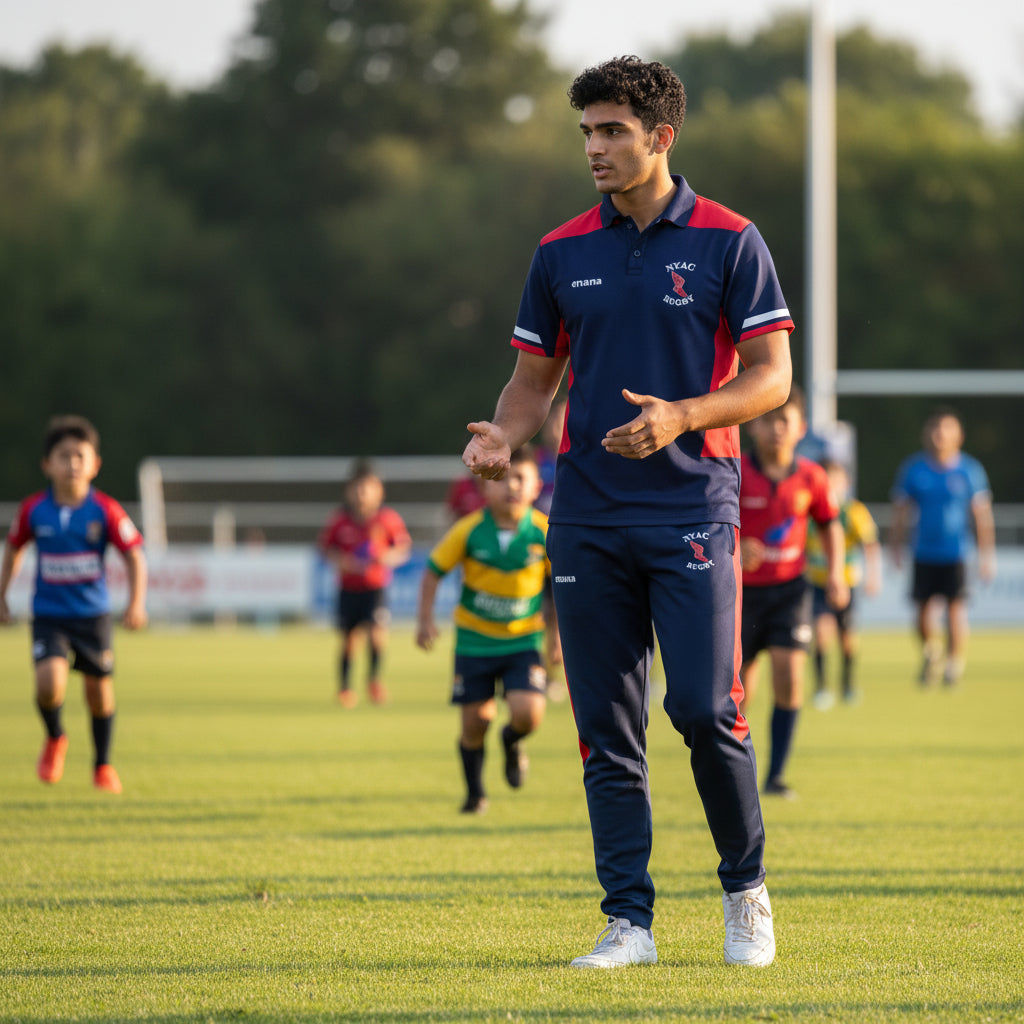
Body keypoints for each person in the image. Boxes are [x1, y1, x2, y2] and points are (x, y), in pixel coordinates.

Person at [461, 56, 794, 969]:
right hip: (587, 518)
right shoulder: (561, 250)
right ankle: (628, 924)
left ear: (661, 138)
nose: (596, 149)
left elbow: (773, 379)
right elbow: (533, 384)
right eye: (587, 133)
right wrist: (503, 436)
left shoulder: (731, 240)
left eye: (612, 131)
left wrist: (684, 415)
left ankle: (746, 893)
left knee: (702, 707)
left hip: (692, 507)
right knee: (606, 726)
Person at [0, 414, 148, 794]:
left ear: (95, 464)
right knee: (49, 685)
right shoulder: (35, 510)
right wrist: (1, 597)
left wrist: (136, 603)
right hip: (49, 615)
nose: (73, 464)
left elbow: (134, 555)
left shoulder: (106, 510)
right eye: (64, 456)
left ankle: (102, 765)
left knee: (99, 695)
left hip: (92, 617)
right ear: (47, 464)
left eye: (81, 456)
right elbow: (14, 549)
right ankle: (55, 737)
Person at [415, 446, 551, 814]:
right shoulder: (469, 530)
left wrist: (558, 639)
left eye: (521, 478)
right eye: (504, 478)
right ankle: (475, 794)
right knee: (475, 723)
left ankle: (512, 742)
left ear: (537, 485)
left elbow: (561, 589)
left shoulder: (545, 532)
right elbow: (432, 572)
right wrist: (425, 620)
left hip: (524, 639)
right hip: (474, 643)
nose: (512, 486)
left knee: (528, 715)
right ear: (485, 486)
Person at [738, 388, 848, 799]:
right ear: (754, 425)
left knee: (789, 677)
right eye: (768, 420)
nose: (776, 429)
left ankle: (775, 776)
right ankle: (738, 777)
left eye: (785, 421)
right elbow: (713, 524)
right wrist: (736, 545)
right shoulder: (735, 471)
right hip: (742, 594)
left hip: (790, 591)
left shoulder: (812, 477)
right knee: (740, 693)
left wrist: (835, 573)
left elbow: (830, 525)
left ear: (800, 429)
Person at [889, 408, 995, 686]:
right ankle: (932, 653)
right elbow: (901, 512)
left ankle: (953, 664)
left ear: (958, 435)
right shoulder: (914, 469)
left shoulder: (969, 470)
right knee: (922, 611)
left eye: (946, 428)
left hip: (956, 552)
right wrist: (895, 547)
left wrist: (987, 555)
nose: (940, 434)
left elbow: (981, 516)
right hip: (923, 551)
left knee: (955, 609)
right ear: (926, 434)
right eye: (935, 428)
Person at [317, 460, 411, 707]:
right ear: (349, 491)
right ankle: (345, 688)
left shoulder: (387, 520)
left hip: (375, 588)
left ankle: (374, 682)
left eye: (367, 489)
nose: (362, 494)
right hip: (348, 588)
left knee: (377, 635)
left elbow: (402, 549)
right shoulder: (340, 520)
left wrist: (385, 558)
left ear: (379, 491)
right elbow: (326, 549)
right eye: (357, 489)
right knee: (349, 640)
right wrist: (343, 562)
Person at [806, 459, 882, 708]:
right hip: (817, 582)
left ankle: (848, 686)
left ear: (845, 483)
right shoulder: (808, 511)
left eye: (835, 480)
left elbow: (870, 544)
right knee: (820, 633)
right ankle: (821, 689)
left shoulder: (853, 511)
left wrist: (873, 576)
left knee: (848, 638)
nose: (830, 486)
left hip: (846, 584)